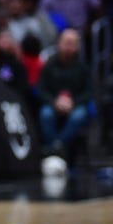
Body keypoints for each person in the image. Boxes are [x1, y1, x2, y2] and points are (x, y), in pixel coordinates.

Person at [36, 28, 92, 163]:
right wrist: (55, 102)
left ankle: (57, 147)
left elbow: (89, 92)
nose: (69, 47)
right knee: (46, 114)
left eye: (73, 43)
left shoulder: (83, 67)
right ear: (59, 44)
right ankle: (54, 147)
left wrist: (73, 103)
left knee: (78, 116)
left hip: (75, 104)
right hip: (53, 103)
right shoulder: (49, 65)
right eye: (66, 42)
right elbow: (42, 90)